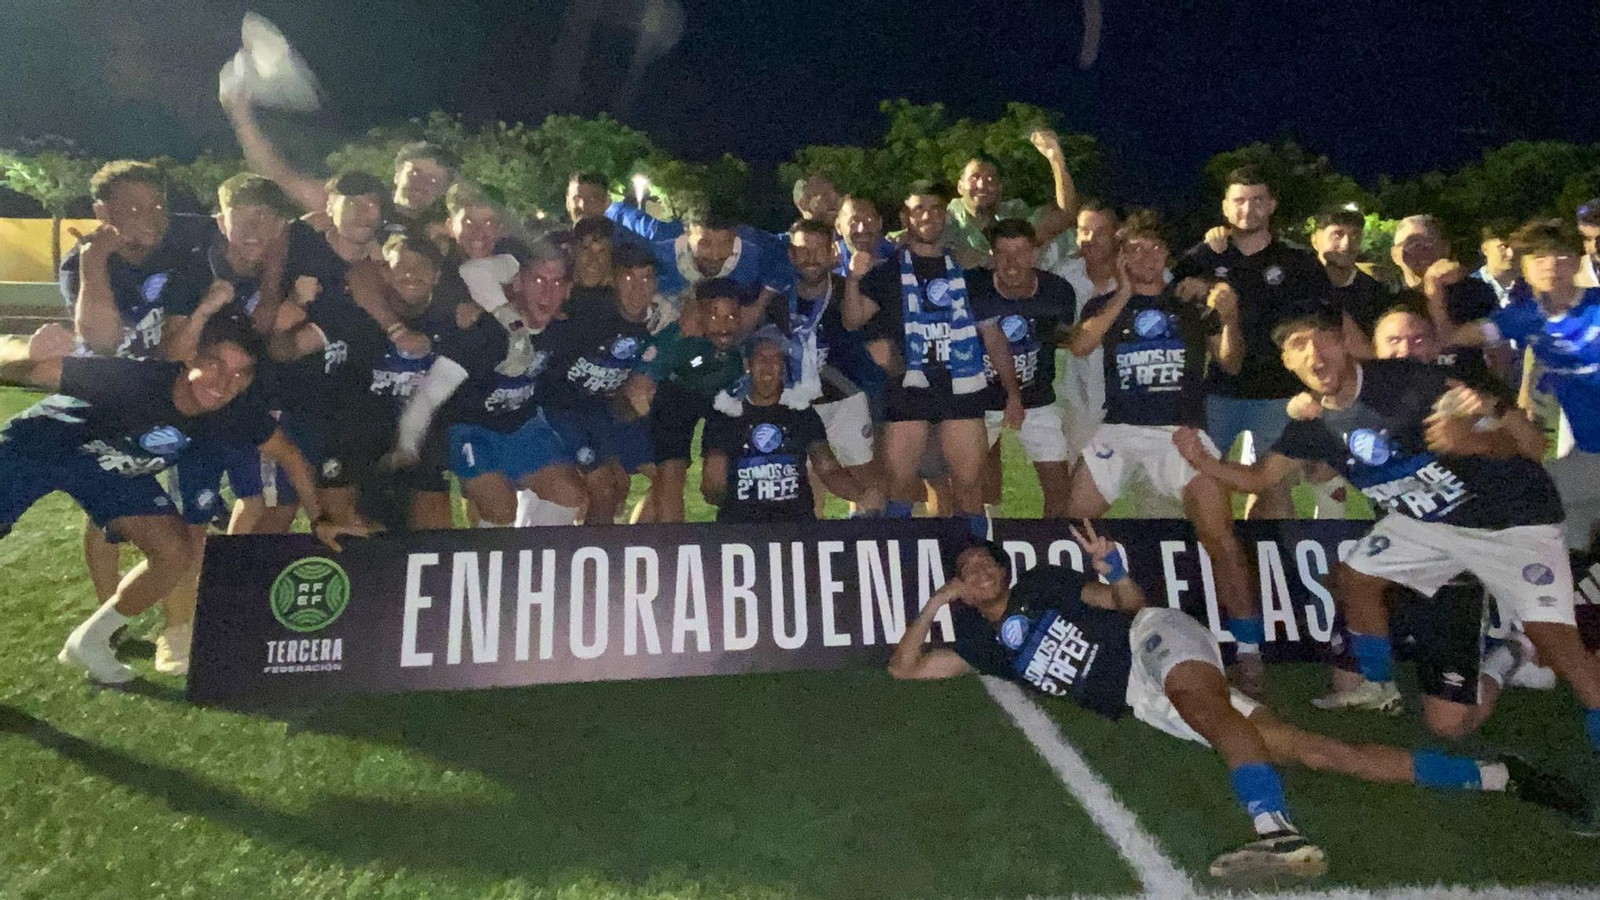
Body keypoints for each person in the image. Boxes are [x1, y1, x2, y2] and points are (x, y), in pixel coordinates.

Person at [889, 529, 1592, 883]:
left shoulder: (1043, 580)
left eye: (985, 565)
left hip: (1153, 638)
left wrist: (1116, 571)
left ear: (1006, 570)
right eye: (965, 572)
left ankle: (1277, 831)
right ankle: (1503, 775)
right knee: (1320, 751)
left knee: (1206, 711)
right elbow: (905, 670)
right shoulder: (979, 646)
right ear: (960, 586)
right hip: (1144, 700)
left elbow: (1127, 605)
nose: (978, 574)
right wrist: (934, 605)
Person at [1171, 309, 1600, 760]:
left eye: (1324, 340)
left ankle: (1540, 666)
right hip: (1426, 525)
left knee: (1561, 647)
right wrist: (1202, 461)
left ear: (1345, 345)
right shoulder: (1312, 424)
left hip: (1513, 524)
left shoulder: (1410, 384)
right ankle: (1378, 686)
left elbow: (1524, 446)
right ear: (1288, 364)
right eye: (1299, 346)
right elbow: (1259, 479)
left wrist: (1471, 439)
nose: (1315, 352)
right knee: (1355, 575)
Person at [0, 317, 361, 684]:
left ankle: (90, 641)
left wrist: (320, 518)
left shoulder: (236, 411)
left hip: (110, 469)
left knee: (175, 551)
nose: (223, 383)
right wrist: (21, 347)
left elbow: (291, 457)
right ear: (191, 359)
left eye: (240, 375)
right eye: (216, 366)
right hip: (38, 448)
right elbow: (33, 368)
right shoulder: (136, 378)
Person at [1063, 209, 1262, 693]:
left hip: (1181, 434)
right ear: (1121, 256)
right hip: (1121, 429)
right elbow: (1080, 347)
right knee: (1069, 525)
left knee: (1222, 540)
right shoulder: (1104, 303)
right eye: (1133, 249)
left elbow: (1231, 363)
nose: (1144, 257)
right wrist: (1126, 293)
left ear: (1167, 256)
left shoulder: (1193, 304)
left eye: (1153, 249)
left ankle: (1251, 651)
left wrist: (1230, 317)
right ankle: (1086, 621)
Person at [58, 160, 216, 639]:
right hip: (104, 398)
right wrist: (92, 260)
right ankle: (109, 616)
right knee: (105, 514)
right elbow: (102, 340)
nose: (150, 216)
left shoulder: (181, 259)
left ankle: (177, 622)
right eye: (132, 207)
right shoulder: (81, 261)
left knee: (183, 511)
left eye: (157, 205)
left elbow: (175, 346)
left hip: (168, 398)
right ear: (102, 211)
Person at [844, 179, 1022, 537]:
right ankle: (896, 558)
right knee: (900, 484)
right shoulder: (886, 271)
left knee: (970, 487)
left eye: (936, 209)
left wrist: (1013, 393)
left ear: (946, 216)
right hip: (908, 387)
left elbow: (992, 334)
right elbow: (853, 319)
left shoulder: (969, 271)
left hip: (962, 386)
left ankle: (973, 556)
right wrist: (852, 279)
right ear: (905, 216)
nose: (928, 216)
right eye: (918, 209)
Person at [384, 240, 588, 528]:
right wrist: (407, 445)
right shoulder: (487, 331)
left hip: (523, 427)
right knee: (500, 508)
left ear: (567, 290)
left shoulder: (562, 328)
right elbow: (430, 392)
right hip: (471, 429)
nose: (547, 292)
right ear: (517, 283)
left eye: (556, 283)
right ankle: (489, 565)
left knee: (570, 495)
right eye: (538, 280)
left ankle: (533, 560)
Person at [1429, 219, 1600, 555]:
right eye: (1539, 258)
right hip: (1589, 452)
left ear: (1578, 260)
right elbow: (1449, 339)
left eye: (1562, 256)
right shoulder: (1523, 318)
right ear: (1524, 267)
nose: (1552, 266)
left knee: (1545, 506)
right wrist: (1433, 289)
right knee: (1558, 531)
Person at [1170, 166, 1327, 521]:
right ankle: (1210, 563)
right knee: (1205, 483)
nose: (1248, 209)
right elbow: (1174, 289)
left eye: (1258, 200)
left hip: (1279, 394)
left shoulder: (1298, 262)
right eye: (1239, 201)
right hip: (1218, 391)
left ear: (1272, 205)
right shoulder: (1203, 257)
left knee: (1273, 489)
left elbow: (1320, 327)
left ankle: (1274, 565)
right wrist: (1197, 286)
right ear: (1225, 208)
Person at [268, 234, 456, 530]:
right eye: (401, 265)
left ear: (436, 276)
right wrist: (285, 322)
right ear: (384, 273)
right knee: (344, 528)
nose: (411, 273)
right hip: (355, 436)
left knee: (434, 534)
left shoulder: (450, 319)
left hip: (419, 441)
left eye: (422, 266)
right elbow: (288, 349)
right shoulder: (355, 314)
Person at [223, 84, 457, 236]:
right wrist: (240, 112)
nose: (422, 184)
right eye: (416, 173)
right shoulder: (353, 199)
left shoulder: (443, 235)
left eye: (435, 181)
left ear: (444, 192)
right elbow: (281, 177)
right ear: (397, 173)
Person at [537, 240, 661, 523]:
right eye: (628, 277)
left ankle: (609, 555)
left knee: (622, 485)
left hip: (599, 413)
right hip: (558, 410)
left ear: (655, 283)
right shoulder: (584, 309)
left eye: (646, 277)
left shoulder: (658, 321)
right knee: (602, 486)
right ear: (613, 279)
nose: (637, 287)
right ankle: (585, 559)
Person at [700, 330, 881, 522]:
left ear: (784, 368)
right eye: (761, 358)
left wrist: (860, 495)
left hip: (796, 528)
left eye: (776, 359)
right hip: (743, 529)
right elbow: (712, 487)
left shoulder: (801, 414)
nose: (769, 365)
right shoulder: (725, 415)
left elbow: (828, 469)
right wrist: (714, 486)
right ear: (748, 365)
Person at [966, 219, 1076, 517]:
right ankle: (983, 539)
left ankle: (1051, 544)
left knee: (1058, 486)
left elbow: (1063, 337)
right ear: (992, 255)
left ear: (1035, 253)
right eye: (1003, 253)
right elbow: (993, 340)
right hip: (981, 396)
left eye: (1020, 252)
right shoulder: (975, 287)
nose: (1012, 262)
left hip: (1037, 396)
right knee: (967, 480)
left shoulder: (1058, 292)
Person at [623, 280, 746, 522]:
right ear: (700, 314)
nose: (725, 325)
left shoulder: (738, 346)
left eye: (732, 316)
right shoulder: (677, 340)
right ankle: (671, 548)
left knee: (716, 486)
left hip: (719, 400)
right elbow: (640, 384)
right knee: (670, 476)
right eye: (715, 316)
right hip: (675, 398)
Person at [778, 220, 881, 508]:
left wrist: (852, 281)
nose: (810, 258)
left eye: (819, 249)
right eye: (802, 250)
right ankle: (812, 546)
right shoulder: (777, 296)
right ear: (790, 255)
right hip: (796, 404)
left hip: (844, 398)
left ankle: (869, 540)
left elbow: (855, 325)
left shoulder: (846, 290)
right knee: (804, 487)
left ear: (833, 252)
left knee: (867, 480)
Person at [1046, 201, 1121, 462]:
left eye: (1100, 232)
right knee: (1075, 482)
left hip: (1129, 400)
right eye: (1084, 231)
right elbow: (1049, 330)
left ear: (1117, 234)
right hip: (1077, 397)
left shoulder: (1143, 275)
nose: (1090, 239)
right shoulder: (1063, 276)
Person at [943, 131, 1078, 270]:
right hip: (962, 289)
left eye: (990, 179)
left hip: (1016, 287)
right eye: (974, 178)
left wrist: (1056, 159)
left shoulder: (1014, 213)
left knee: (1067, 238)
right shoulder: (944, 219)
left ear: (1000, 187)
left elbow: (1064, 217)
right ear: (960, 187)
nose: (981, 185)